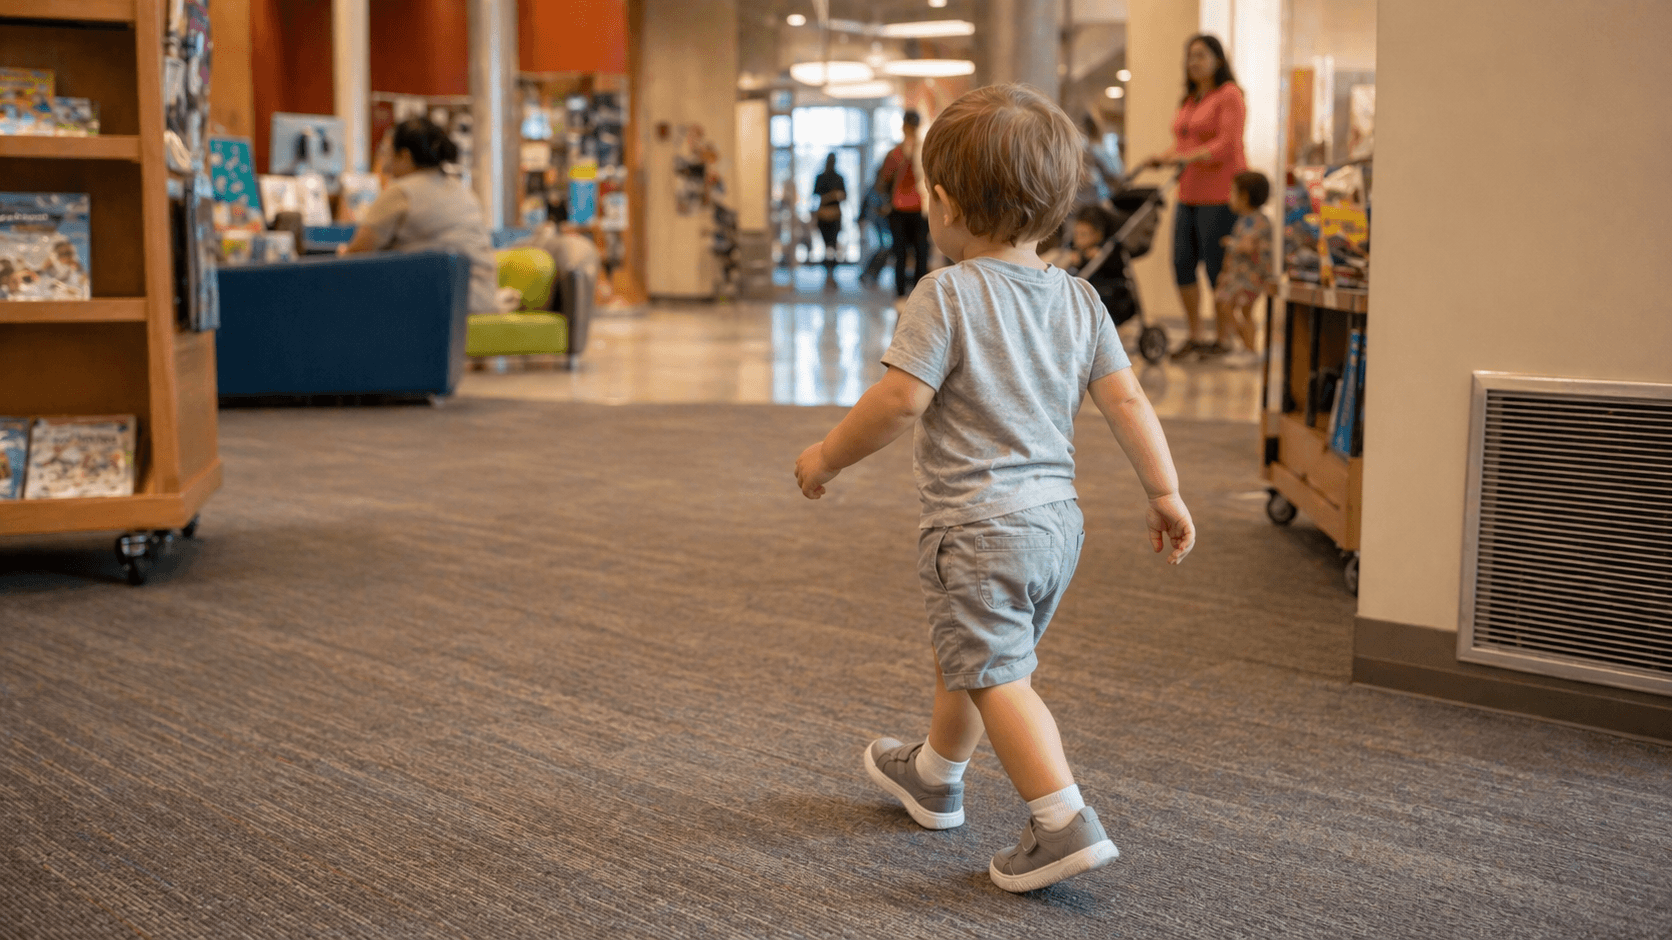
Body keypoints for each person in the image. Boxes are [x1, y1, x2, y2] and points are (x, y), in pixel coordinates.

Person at [792, 84, 1197, 893]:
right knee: (978, 654)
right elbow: (1126, 399)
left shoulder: (945, 293)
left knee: (997, 673)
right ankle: (937, 775)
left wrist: (826, 458)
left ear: (941, 203)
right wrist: (1165, 490)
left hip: (977, 530)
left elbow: (900, 400)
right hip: (1056, 528)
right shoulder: (1080, 297)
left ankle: (1061, 820)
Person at [1142, 34, 1247, 361]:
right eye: (1190, 56)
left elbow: (1227, 143)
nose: (1194, 62)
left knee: (1217, 270)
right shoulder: (1191, 99)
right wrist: (1164, 156)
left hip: (1220, 195)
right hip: (1187, 193)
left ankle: (1223, 338)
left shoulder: (1229, 95)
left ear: (1218, 59)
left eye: (1201, 55)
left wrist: (1191, 156)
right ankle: (1195, 334)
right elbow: (1183, 143)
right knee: (1182, 263)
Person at [343, 117, 499, 314]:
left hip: (445, 301)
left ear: (405, 155)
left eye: (388, 153)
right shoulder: (460, 189)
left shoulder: (402, 191)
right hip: (483, 299)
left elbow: (357, 254)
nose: (385, 163)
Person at [1213, 171, 1274, 358]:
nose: (1229, 198)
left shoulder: (1258, 221)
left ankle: (1250, 349)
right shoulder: (1243, 221)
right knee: (1227, 306)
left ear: (1245, 196)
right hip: (1239, 276)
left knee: (1241, 310)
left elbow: (1248, 246)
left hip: (1251, 278)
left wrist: (1230, 243)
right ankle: (1248, 347)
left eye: (1233, 193)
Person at [878, 110, 930, 308]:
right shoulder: (895, 153)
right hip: (899, 208)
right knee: (899, 253)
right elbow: (884, 178)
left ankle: (919, 293)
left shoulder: (924, 150)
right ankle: (900, 293)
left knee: (921, 252)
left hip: (919, 208)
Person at [811, 153, 847, 287]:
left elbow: (844, 196)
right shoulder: (820, 178)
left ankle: (831, 273)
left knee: (832, 245)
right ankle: (828, 273)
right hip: (823, 215)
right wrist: (831, 196)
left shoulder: (839, 178)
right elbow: (815, 196)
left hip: (835, 215)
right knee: (828, 246)